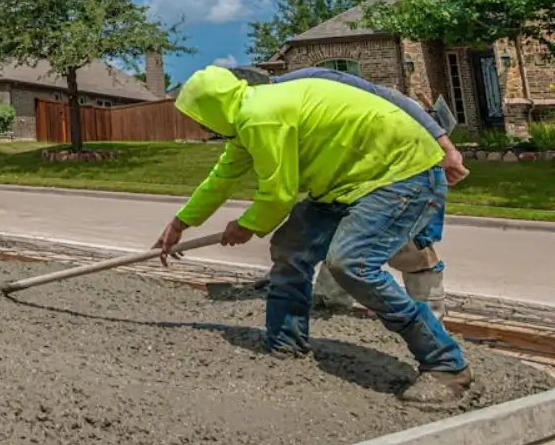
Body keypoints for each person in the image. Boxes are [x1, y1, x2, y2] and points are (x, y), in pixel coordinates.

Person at [153, 66, 473, 404]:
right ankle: (286, 344)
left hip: (400, 175)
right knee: (291, 248)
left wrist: (246, 225)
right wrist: (180, 223)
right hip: (345, 183)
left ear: (211, 110)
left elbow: (278, 194)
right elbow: (220, 180)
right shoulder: (247, 119)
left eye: (198, 118)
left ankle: (446, 366)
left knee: (352, 263)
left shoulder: (261, 115)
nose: (200, 126)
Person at [230, 66, 466, 315]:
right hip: (349, 173)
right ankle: (329, 302)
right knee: (336, 234)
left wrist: (446, 147)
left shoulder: (315, 80)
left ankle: (429, 314)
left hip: (399, 162)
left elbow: (395, 100)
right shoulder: (273, 116)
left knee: (407, 244)